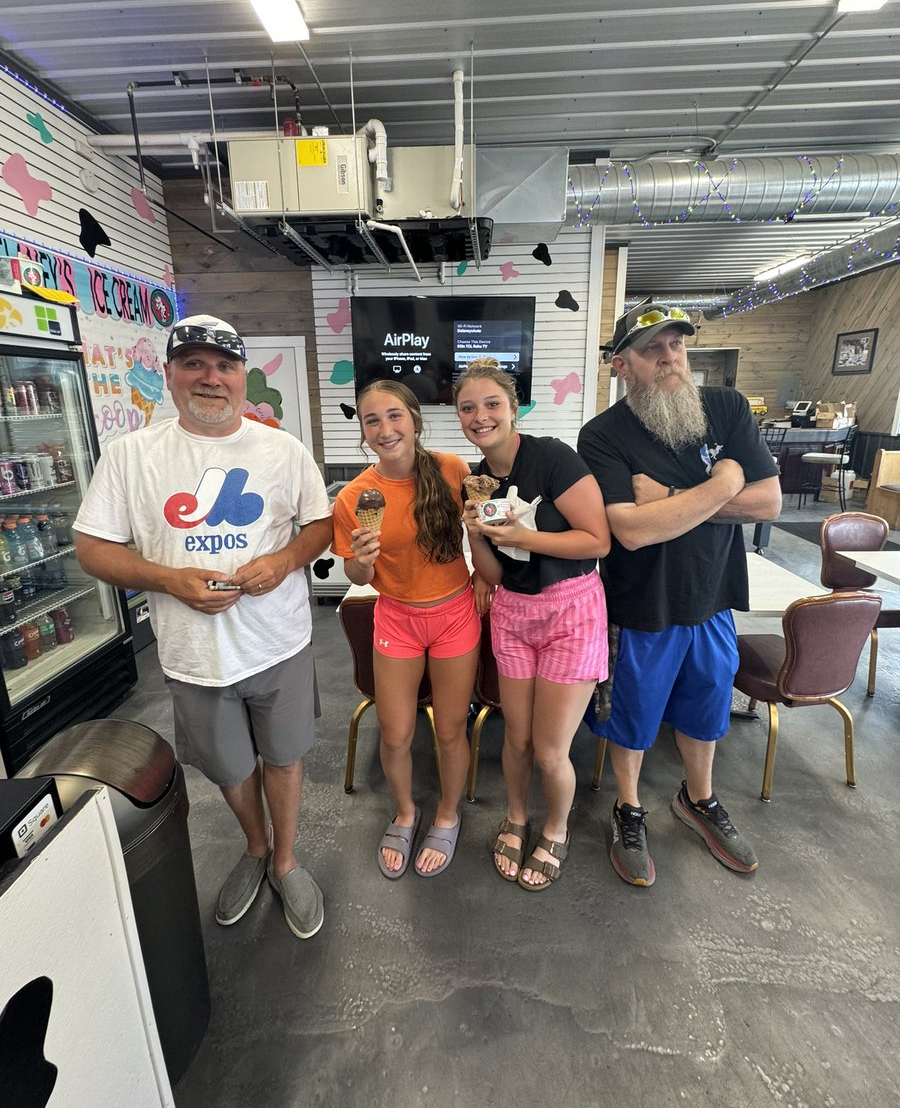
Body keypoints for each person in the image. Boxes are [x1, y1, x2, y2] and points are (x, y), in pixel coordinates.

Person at [74, 314, 333, 939]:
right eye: (193, 364)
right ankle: (254, 848)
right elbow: (91, 548)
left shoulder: (283, 449)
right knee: (229, 768)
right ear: (169, 375)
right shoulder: (132, 456)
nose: (210, 378)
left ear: (244, 377)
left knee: (285, 757)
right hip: (193, 655)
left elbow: (318, 527)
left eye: (224, 366)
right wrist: (169, 579)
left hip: (279, 643)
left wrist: (281, 561)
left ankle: (288, 860)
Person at [577, 304, 782, 887]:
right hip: (640, 605)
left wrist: (671, 494)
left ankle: (699, 799)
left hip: (712, 598)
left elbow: (769, 505)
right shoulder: (602, 436)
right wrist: (722, 484)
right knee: (632, 720)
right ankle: (628, 808)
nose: (669, 358)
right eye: (652, 350)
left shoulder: (725, 408)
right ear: (622, 365)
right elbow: (633, 531)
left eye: (676, 346)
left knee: (706, 710)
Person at [454, 358, 610, 891]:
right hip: (515, 614)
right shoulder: (475, 484)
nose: (481, 416)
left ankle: (556, 829)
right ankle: (517, 818)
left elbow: (598, 540)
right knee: (517, 740)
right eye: (468, 408)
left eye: (491, 404)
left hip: (572, 609)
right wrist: (475, 533)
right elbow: (495, 574)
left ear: (513, 407)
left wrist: (525, 537)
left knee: (549, 750)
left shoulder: (552, 459)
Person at [331, 380, 482, 879]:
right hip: (396, 617)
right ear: (363, 431)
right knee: (395, 734)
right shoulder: (354, 497)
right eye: (371, 420)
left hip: (455, 614)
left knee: (452, 729)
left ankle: (446, 813)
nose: (385, 428)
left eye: (394, 416)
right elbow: (356, 576)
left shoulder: (451, 469)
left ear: (415, 421)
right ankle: (405, 812)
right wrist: (362, 562)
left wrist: (485, 577)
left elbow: (480, 532)